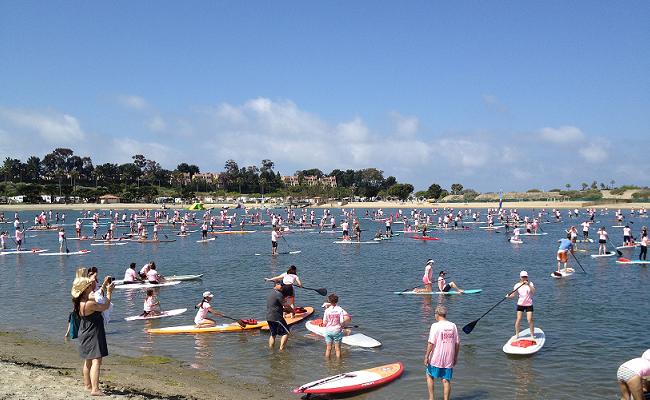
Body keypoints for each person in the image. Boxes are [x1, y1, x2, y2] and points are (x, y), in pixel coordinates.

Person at [71, 274, 114, 396]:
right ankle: (95, 389)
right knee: (96, 361)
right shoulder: (89, 304)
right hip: (93, 332)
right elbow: (105, 306)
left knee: (88, 360)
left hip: (84, 331)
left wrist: (104, 286)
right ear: (85, 290)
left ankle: (88, 385)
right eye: (89, 285)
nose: (91, 286)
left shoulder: (80, 302)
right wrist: (109, 293)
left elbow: (96, 295)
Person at [424, 305, 460, 400]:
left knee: (429, 375)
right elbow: (457, 343)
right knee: (446, 380)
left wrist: (426, 356)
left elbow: (431, 343)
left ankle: (431, 398)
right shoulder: (453, 325)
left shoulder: (435, 326)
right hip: (449, 357)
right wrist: (455, 357)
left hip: (436, 357)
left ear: (437, 314)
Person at [321, 294, 351, 359]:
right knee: (337, 349)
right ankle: (338, 364)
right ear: (337, 301)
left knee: (328, 348)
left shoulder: (327, 310)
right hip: (337, 331)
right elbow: (341, 321)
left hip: (328, 331)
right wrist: (342, 326)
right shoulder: (340, 309)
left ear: (329, 301)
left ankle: (327, 362)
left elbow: (324, 322)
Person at [507, 271, 536, 338]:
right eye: (523, 277)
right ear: (520, 277)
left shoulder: (530, 283)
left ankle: (532, 334)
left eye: (525, 277)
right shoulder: (517, 285)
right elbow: (513, 295)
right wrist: (508, 296)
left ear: (527, 277)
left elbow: (534, 291)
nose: (524, 278)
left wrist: (528, 284)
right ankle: (517, 335)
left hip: (529, 304)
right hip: (520, 304)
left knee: (529, 319)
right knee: (518, 319)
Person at [266, 281, 293, 350]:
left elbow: (274, 306)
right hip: (277, 317)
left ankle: (271, 349)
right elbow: (286, 305)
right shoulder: (278, 294)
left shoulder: (270, 293)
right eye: (281, 285)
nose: (282, 287)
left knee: (273, 334)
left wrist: (283, 310)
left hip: (269, 317)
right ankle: (281, 349)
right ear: (276, 285)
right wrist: (292, 310)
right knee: (286, 333)